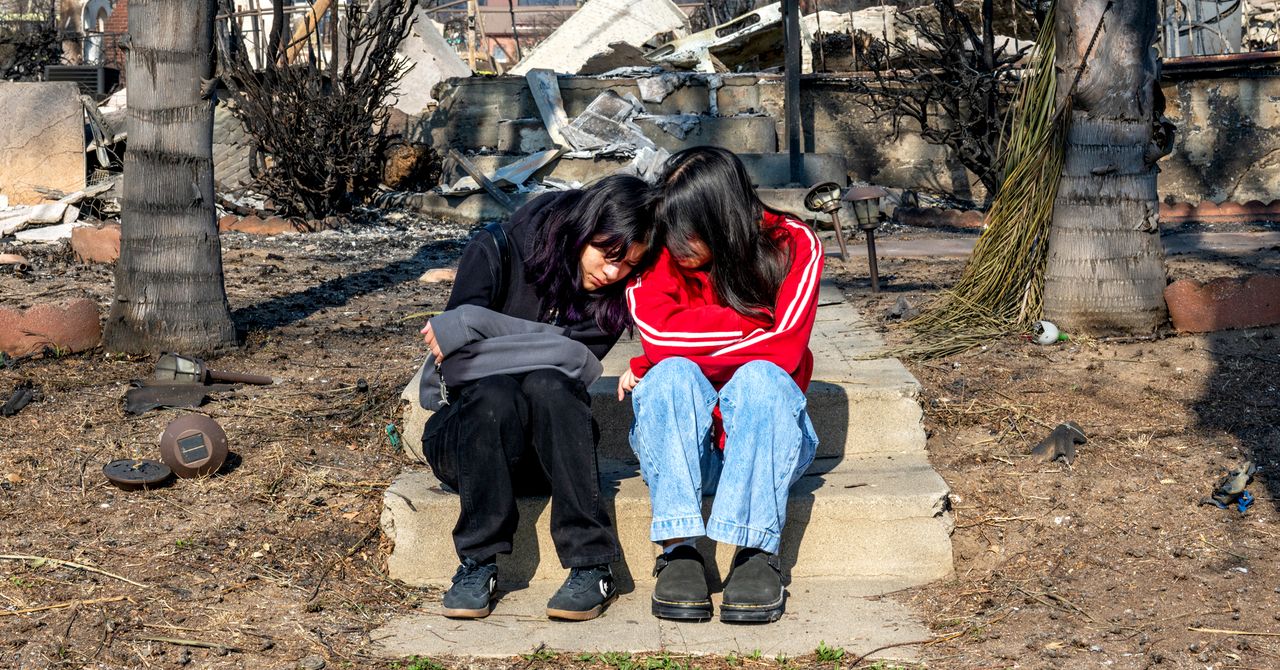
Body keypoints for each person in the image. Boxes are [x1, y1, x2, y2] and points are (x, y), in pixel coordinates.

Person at [418, 175, 657, 621]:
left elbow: (577, 364)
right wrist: (555, 348)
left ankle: (591, 564)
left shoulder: (611, 297)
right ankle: (477, 563)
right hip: (470, 444)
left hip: (550, 454)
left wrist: (478, 324)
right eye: (607, 256)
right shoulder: (496, 250)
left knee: (550, 386)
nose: (613, 274)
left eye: (628, 266)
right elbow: (458, 366)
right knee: (495, 392)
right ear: (583, 229)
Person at [617, 147, 823, 624]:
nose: (675, 242)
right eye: (669, 228)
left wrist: (668, 350)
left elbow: (786, 350)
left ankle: (754, 551)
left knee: (764, 379)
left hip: (766, 451)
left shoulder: (795, 245)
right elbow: (657, 335)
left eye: (687, 230)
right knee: (671, 376)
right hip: (683, 455)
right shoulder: (664, 250)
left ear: (724, 218)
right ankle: (678, 549)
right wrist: (754, 326)